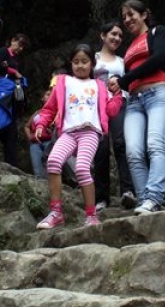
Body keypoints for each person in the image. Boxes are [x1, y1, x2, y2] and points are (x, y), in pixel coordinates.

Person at [34, 44, 123, 229]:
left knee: (82, 168)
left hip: (90, 131)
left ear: (92, 64)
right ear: (71, 64)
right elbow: (50, 108)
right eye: (76, 62)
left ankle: (91, 215)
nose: (80, 66)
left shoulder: (99, 85)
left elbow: (110, 110)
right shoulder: (63, 82)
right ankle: (56, 212)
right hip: (68, 132)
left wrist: (118, 95)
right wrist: (41, 124)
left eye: (84, 62)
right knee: (53, 161)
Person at [107, 0, 165, 215]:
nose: (127, 20)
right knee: (134, 151)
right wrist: (121, 80)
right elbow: (131, 74)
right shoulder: (128, 49)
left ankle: (154, 197)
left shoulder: (158, 32)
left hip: (158, 94)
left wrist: (125, 79)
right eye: (124, 16)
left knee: (155, 144)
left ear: (145, 14)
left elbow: (157, 59)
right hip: (135, 101)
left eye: (131, 14)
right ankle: (144, 199)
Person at [92, 21, 136, 211]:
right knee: (100, 149)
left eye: (120, 35)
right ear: (102, 36)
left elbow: (130, 82)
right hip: (96, 106)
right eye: (113, 34)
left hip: (119, 102)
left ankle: (128, 191)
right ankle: (101, 197)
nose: (117, 38)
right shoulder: (92, 58)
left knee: (121, 143)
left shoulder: (122, 61)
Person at [0, 33, 30, 167]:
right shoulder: (3, 51)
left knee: (11, 130)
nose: (20, 49)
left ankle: (12, 165)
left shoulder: (16, 60)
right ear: (12, 40)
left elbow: (6, 68)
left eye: (23, 47)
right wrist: (13, 71)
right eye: (19, 44)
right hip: (0, 91)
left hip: (10, 95)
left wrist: (7, 67)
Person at [24, 87, 54, 179]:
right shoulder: (37, 112)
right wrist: (30, 137)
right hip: (35, 143)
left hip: (50, 142)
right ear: (42, 98)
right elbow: (26, 126)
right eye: (48, 94)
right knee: (37, 171)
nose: (50, 96)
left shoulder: (57, 112)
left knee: (51, 170)